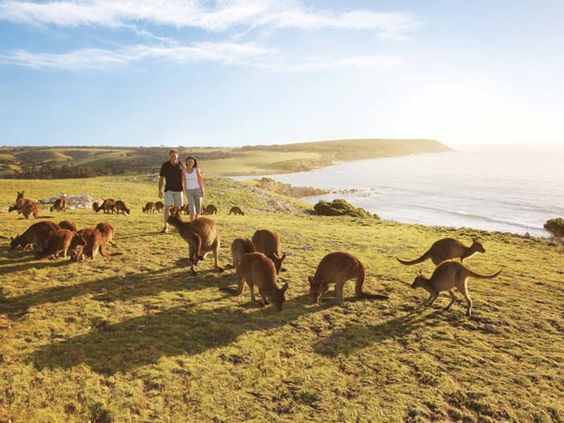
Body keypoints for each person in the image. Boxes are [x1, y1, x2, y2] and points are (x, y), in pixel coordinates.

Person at [158, 149, 183, 233]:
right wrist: (159, 190)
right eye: (172, 156)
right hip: (168, 189)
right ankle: (166, 226)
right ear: (170, 156)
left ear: (177, 156)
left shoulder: (181, 164)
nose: (173, 157)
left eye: (175, 156)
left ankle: (176, 226)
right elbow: (161, 178)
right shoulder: (165, 165)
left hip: (179, 190)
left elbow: (185, 176)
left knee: (177, 208)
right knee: (167, 207)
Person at [182, 155, 205, 221]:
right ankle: (192, 223)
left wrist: (202, 190)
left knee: (198, 208)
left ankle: (196, 222)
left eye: (192, 161)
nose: (190, 163)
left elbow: (200, 180)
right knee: (192, 208)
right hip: (189, 191)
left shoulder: (197, 170)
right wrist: (184, 189)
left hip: (197, 190)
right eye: (189, 161)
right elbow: (183, 180)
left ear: (194, 162)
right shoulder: (184, 171)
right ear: (186, 162)